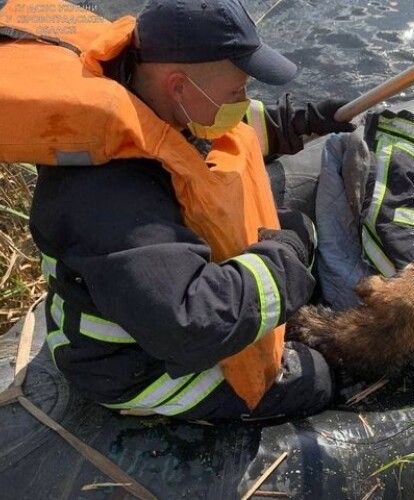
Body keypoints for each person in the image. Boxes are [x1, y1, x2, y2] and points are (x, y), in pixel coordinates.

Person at [29, 0, 354, 420]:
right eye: (237, 92)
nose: (245, 100)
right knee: (319, 377)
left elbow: (227, 128)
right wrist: (287, 259)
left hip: (156, 297)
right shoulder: (112, 193)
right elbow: (190, 322)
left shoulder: (151, 94)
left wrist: (298, 123)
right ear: (178, 85)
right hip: (139, 364)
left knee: (293, 228)